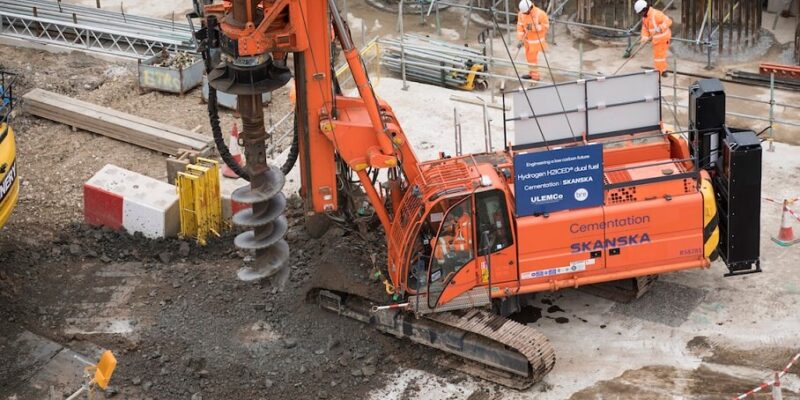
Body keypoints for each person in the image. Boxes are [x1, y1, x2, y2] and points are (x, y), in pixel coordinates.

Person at [635, 0, 672, 77]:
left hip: (663, 38)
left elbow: (668, 21)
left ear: (644, 9)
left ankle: (660, 72)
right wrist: (644, 38)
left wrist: (661, 27)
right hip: (656, 40)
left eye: (641, 12)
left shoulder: (656, 14)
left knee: (659, 57)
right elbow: (645, 29)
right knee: (659, 57)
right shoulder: (645, 18)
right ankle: (661, 70)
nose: (640, 14)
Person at [516, 0, 549, 81]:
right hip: (527, 41)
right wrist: (520, 40)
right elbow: (520, 27)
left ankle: (535, 77)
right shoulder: (521, 14)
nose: (525, 14)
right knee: (529, 58)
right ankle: (531, 74)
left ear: (530, 8)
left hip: (536, 42)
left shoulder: (540, 14)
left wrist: (534, 28)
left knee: (532, 59)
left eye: (526, 12)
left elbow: (546, 26)